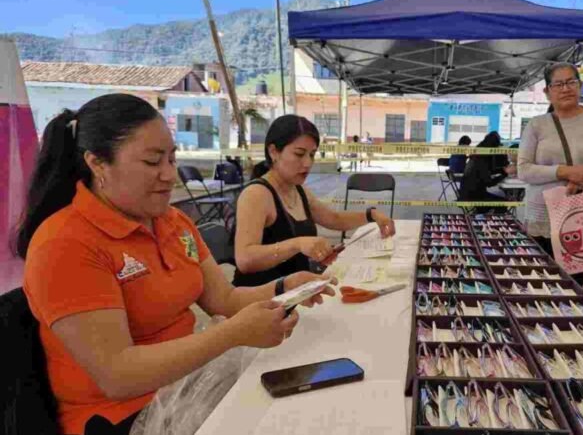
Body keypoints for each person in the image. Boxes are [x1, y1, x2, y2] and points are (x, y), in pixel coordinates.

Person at [15, 94, 335, 435]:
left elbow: (224, 299)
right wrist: (232, 334)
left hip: (188, 386)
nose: (169, 175)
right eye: (153, 163)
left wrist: (285, 287)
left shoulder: (173, 222)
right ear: (97, 164)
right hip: (125, 416)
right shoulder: (65, 243)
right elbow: (117, 375)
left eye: (172, 159)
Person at [233, 115, 396, 287]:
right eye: (299, 154)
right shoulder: (256, 194)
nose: (308, 163)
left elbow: (334, 219)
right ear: (273, 152)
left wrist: (371, 215)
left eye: (312, 155)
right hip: (260, 301)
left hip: (297, 293)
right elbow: (245, 259)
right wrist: (298, 244)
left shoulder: (298, 190)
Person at [517, 62, 583, 286]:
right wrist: (565, 171)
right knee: (537, 286)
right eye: (558, 84)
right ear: (547, 91)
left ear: (580, 85)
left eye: (571, 82)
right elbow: (524, 170)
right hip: (541, 218)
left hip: (582, 219)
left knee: (572, 288)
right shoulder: (537, 125)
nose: (565, 88)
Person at [458, 132, 515, 213]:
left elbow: (486, 171)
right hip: (474, 197)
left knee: (499, 198)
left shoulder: (477, 155)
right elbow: (489, 183)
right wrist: (505, 173)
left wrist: (502, 170)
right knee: (502, 203)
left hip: (467, 193)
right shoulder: (482, 159)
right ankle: (491, 223)